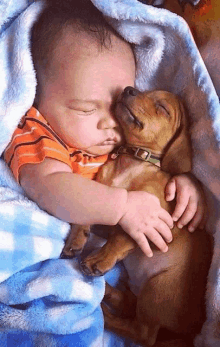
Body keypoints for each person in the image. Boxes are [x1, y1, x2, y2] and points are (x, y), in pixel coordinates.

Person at [4, 0, 206, 258]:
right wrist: (122, 207)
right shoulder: (38, 134)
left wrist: (181, 184)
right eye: (86, 109)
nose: (111, 121)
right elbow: (52, 187)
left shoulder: (113, 142)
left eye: (119, 107)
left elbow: (151, 162)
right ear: (37, 97)